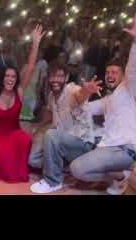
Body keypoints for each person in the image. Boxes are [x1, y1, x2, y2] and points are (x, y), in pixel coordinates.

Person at [69, 12, 136, 195]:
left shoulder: (129, 89)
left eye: (114, 72)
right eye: (107, 73)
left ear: (122, 76)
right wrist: (83, 92)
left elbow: (133, 68)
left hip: (125, 150)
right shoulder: (108, 99)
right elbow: (83, 110)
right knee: (75, 164)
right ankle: (120, 175)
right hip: (108, 148)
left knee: (77, 169)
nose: (110, 76)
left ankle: (121, 176)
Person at [0, 25, 44, 183]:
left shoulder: (20, 91)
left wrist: (35, 43)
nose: (10, 79)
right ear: (2, 77)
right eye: (7, 76)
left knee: (25, 139)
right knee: (6, 168)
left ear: (16, 79)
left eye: (13, 77)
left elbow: (30, 66)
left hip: (13, 133)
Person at [29, 64, 102, 193]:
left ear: (66, 77)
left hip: (82, 143)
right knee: (33, 160)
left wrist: (87, 91)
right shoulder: (52, 95)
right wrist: (36, 128)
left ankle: (53, 181)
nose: (55, 79)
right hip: (63, 142)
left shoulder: (71, 89)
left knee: (51, 135)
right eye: (52, 76)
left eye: (60, 76)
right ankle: (64, 166)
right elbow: (50, 113)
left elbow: (80, 95)